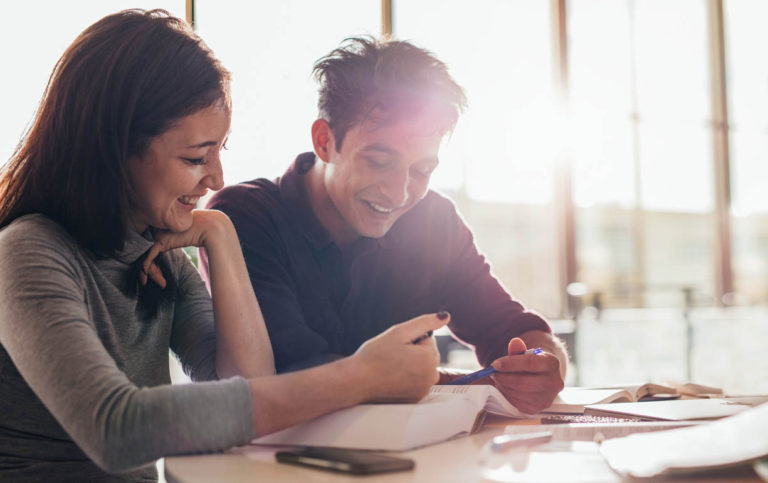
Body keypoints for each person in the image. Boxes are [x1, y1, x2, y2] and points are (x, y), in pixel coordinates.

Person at [0, 11, 445, 482]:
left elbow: (246, 391)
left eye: (219, 152)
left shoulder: (162, 256)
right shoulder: (26, 252)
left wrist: (221, 236)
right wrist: (359, 376)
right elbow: (117, 427)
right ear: (114, 149)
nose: (216, 178)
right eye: (195, 157)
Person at [204, 37, 568, 415]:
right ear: (325, 141)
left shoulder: (432, 220)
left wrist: (544, 362)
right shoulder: (245, 217)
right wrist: (446, 380)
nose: (399, 193)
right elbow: (285, 373)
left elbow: (513, 327)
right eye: (379, 161)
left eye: (422, 170)